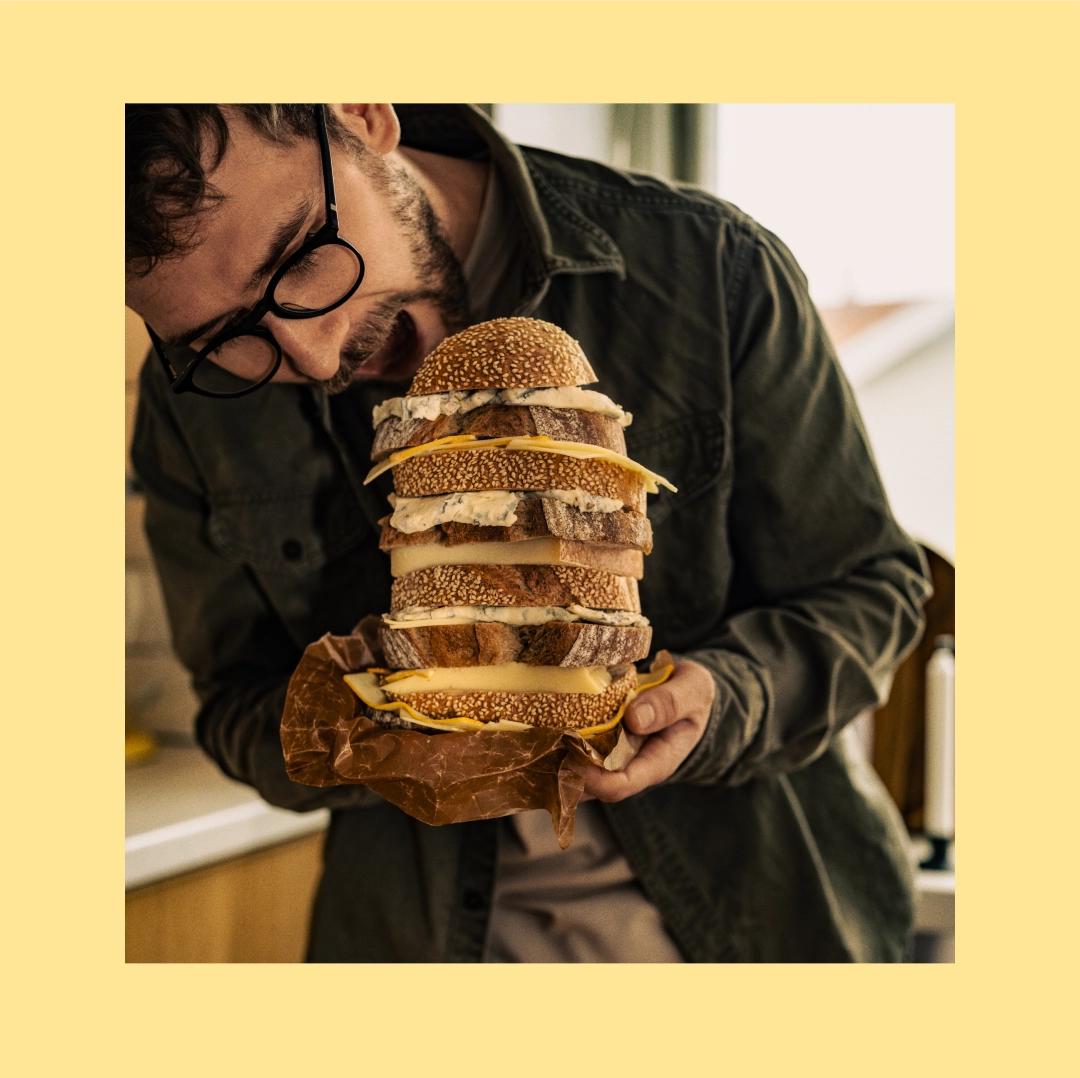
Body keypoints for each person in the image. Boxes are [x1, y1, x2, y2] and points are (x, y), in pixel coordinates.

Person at [125, 103, 931, 962]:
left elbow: (874, 590)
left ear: (361, 113)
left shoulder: (712, 267)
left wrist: (723, 699)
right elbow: (236, 705)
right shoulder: (192, 407)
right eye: (224, 337)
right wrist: (360, 726)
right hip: (420, 949)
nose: (316, 360)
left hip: (759, 929)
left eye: (298, 258)